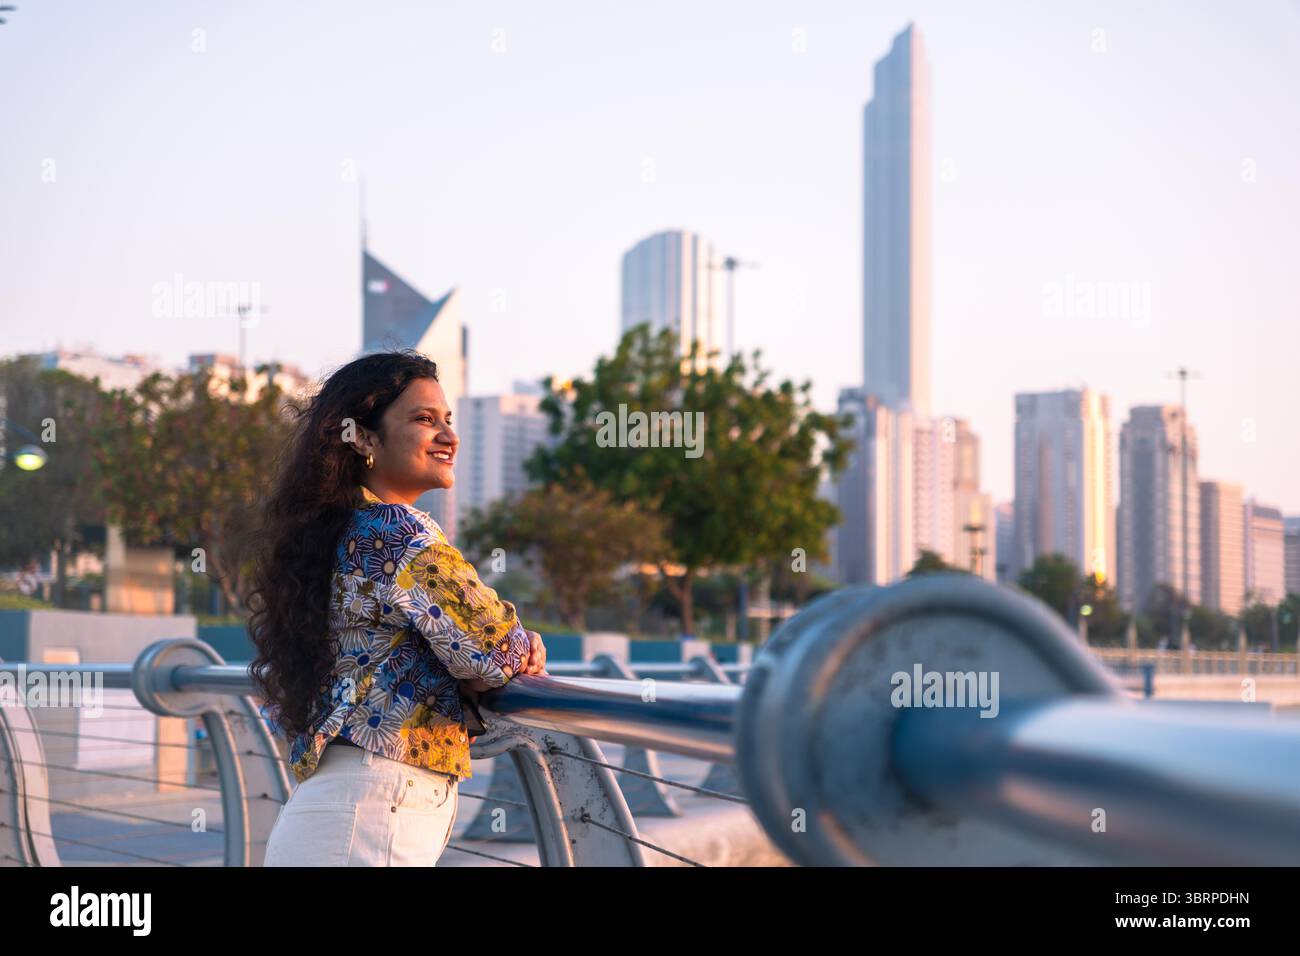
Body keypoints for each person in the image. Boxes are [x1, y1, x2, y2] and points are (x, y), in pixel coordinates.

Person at [245, 349, 546, 866]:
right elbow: (495, 653)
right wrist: (521, 643)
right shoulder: (396, 532)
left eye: (448, 420)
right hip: (369, 815)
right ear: (363, 437)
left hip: (342, 811)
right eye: (424, 419)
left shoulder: (339, 530)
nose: (448, 436)